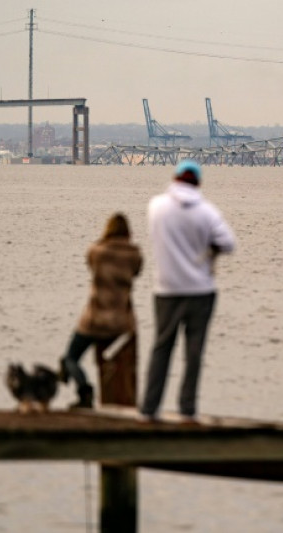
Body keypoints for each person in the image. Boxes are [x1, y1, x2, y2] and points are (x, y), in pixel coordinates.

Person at [139, 160, 236, 422]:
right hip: (201, 292)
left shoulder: (156, 206)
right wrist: (209, 247)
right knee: (194, 353)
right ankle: (187, 408)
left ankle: (149, 408)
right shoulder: (207, 212)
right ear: (199, 182)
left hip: (166, 290)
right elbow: (228, 243)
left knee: (161, 348)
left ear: (174, 177)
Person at [59, 213, 143, 409]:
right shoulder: (135, 255)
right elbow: (137, 271)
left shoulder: (97, 252)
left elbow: (90, 263)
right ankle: (120, 402)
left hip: (94, 320)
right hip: (120, 322)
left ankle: (84, 390)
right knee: (115, 366)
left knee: (70, 357)